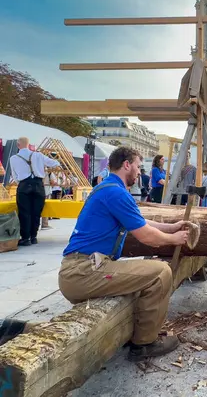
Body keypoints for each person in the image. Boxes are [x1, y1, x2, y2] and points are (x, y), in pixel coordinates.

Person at [58, 147, 190, 361]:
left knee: (145, 274)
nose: (139, 172)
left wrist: (172, 227)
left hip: (84, 269)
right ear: (127, 164)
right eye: (138, 166)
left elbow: (140, 221)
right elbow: (147, 236)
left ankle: (135, 332)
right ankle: (145, 344)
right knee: (160, 272)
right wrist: (173, 240)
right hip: (83, 272)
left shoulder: (109, 188)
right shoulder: (115, 193)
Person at [9, 137, 61, 246]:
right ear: (29, 144)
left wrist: (22, 183)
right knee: (36, 213)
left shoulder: (13, 158)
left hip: (24, 185)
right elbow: (55, 163)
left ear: (18, 145)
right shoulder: (38, 155)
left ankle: (25, 238)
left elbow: (14, 175)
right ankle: (34, 237)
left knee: (24, 213)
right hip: (38, 185)